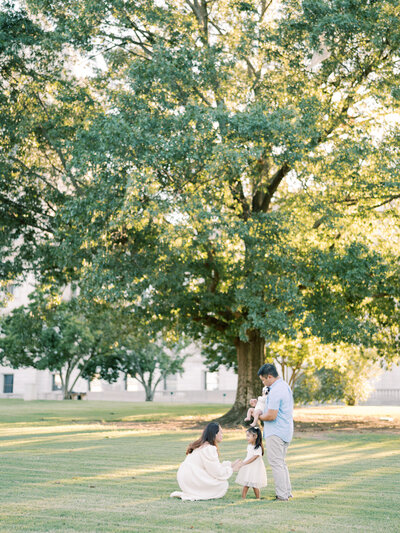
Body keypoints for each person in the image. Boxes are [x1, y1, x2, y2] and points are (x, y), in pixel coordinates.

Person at [170, 422, 242, 501]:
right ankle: (197, 492)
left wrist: (230, 465)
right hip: (192, 477)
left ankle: (194, 491)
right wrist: (232, 469)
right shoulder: (209, 448)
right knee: (223, 484)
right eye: (221, 432)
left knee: (219, 481)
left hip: (186, 476)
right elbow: (216, 472)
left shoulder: (201, 444)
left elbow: (213, 467)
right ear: (215, 434)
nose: (222, 435)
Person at [258, 363, 293, 501]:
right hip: (285, 430)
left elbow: (271, 415)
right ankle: (287, 492)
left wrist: (258, 416)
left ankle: (282, 495)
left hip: (276, 432)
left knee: (276, 464)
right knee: (281, 463)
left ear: (270, 377)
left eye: (263, 380)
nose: (264, 383)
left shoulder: (276, 390)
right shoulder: (284, 386)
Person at [235, 426, 267, 499]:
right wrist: (242, 462)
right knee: (246, 483)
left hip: (255, 468)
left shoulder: (258, 447)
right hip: (249, 467)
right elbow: (248, 456)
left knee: (254, 484)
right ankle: (243, 497)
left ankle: (258, 498)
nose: (247, 438)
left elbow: (253, 458)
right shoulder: (249, 446)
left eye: (248, 436)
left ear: (255, 436)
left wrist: (244, 463)